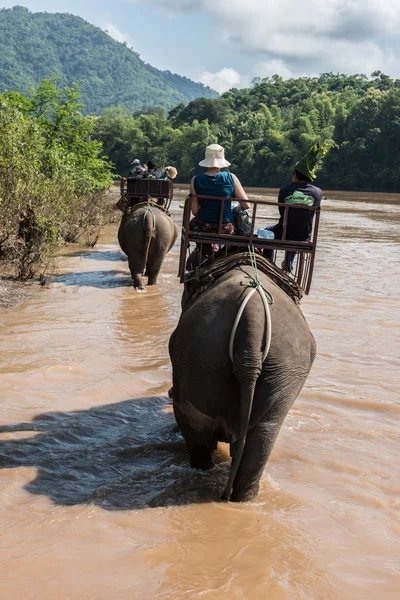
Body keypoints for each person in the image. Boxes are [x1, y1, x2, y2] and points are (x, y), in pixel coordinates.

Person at [265, 141, 332, 272]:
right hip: (304, 236)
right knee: (297, 231)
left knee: (267, 231)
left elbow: (282, 211)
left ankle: (268, 263)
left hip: (285, 233)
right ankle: (288, 263)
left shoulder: (284, 190)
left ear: (295, 175)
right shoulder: (318, 192)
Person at [189, 144, 250, 243]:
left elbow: (195, 212)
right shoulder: (231, 177)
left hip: (203, 226)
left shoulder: (195, 179)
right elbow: (246, 205)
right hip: (225, 228)